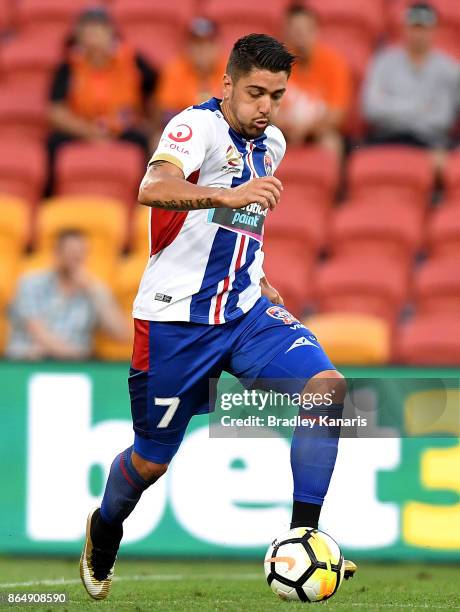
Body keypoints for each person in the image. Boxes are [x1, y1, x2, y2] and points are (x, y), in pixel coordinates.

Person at [79, 34, 356, 600]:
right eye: (255, 92)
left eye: (276, 96)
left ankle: (303, 536)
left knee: (326, 389)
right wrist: (223, 196)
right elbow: (151, 187)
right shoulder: (195, 127)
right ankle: (104, 529)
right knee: (151, 461)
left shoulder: (272, 143)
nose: (265, 107)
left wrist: (259, 274)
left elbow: (243, 227)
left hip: (247, 313)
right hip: (175, 324)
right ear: (227, 84)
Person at [47, 6, 158, 186]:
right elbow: (55, 111)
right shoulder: (68, 66)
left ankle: (144, 193)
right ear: (79, 36)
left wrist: (149, 122)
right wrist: (89, 132)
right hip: (84, 127)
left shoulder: (133, 60)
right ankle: (50, 196)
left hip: (123, 128)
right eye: (88, 31)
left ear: (111, 33)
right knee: (53, 143)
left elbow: (155, 92)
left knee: (147, 143)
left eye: (99, 30)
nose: (94, 38)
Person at [362, 2, 460, 171]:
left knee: (442, 164)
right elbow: (371, 109)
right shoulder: (383, 62)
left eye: (423, 28)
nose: (418, 34)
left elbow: (442, 118)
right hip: (386, 137)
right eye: (415, 27)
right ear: (405, 28)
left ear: (433, 30)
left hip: (429, 141)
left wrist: (393, 105)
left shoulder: (449, 69)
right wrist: (419, 108)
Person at [6, 229, 130, 360]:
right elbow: (37, 330)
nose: (75, 258)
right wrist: (75, 355)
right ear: (57, 253)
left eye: (80, 253)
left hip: (75, 367)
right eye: (70, 252)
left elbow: (121, 334)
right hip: (28, 362)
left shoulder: (94, 290)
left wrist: (95, 291)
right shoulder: (31, 283)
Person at [276, 3, 352, 156]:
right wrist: (286, 127)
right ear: (286, 32)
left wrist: (307, 130)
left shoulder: (333, 63)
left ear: (316, 31)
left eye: (307, 30)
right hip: (283, 132)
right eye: (296, 31)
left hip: (319, 133)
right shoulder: (274, 64)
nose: (302, 36)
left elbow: (336, 114)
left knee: (331, 143)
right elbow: (267, 108)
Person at [156, 17, 227, 125]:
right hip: (185, 131)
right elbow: (167, 114)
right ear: (187, 47)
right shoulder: (175, 70)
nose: (202, 50)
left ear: (218, 45)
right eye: (197, 44)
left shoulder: (231, 70)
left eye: (208, 43)